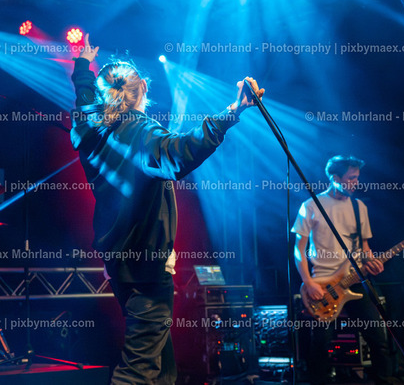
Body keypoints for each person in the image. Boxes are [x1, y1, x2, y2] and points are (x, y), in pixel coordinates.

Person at [70, 34, 264, 384]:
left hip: (120, 262)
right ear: (143, 88)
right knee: (139, 369)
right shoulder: (141, 131)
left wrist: (82, 66)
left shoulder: (89, 127)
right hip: (146, 264)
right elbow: (182, 151)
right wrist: (232, 112)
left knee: (160, 364)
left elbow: (84, 96)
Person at [292, 155, 393, 384]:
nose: (356, 182)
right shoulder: (311, 206)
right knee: (320, 344)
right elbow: (299, 248)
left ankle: (384, 380)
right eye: (351, 178)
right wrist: (308, 282)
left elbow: (364, 247)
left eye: (357, 177)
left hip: (355, 280)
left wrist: (372, 262)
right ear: (335, 178)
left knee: (378, 338)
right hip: (322, 286)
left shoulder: (359, 207)